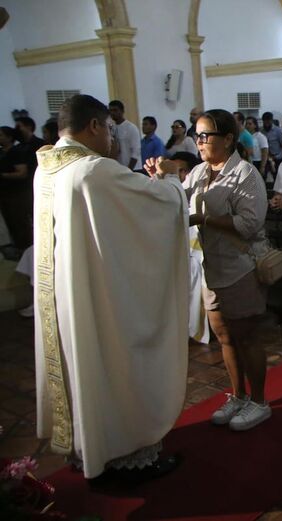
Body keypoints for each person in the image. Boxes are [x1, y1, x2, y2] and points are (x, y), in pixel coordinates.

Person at [33, 94, 189, 480]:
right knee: (113, 362)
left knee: (79, 364)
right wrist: (168, 178)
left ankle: (87, 446)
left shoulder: (46, 169)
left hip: (64, 297)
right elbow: (160, 205)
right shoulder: (92, 171)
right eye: (110, 130)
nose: (113, 140)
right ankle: (124, 452)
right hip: (96, 295)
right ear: (94, 126)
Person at [184, 109, 272, 430]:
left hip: (240, 268)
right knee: (225, 337)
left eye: (206, 135)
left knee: (247, 337)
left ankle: (260, 401)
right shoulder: (198, 173)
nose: (200, 141)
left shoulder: (245, 174)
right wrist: (162, 179)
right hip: (212, 270)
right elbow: (181, 202)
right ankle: (238, 395)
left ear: (229, 139)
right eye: (197, 135)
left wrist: (205, 219)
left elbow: (250, 224)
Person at [170, 151, 209, 344]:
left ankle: (196, 327)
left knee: (194, 272)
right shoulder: (180, 192)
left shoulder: (200, 192)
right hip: (186, 254)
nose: (178, 176)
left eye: (182, 171)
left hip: (203, 254)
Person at [0, 125, 34, 249]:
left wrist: (3, 175)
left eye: (1, 135)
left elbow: (22, 173)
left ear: (9, 137)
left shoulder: (17, 151)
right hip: (5, 194)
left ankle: (27, 250)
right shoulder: (2, 153)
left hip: (17, 194)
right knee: (11, 224)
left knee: (21, 223)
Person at [108, 100, 141, 170]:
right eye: (110, 110)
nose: (112, 113)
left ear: (122, 111)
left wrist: (129, 170)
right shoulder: (112, 128)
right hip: (120, 169)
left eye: (115, 110)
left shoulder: (131, 128)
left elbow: (136, 152)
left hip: (134, 169)